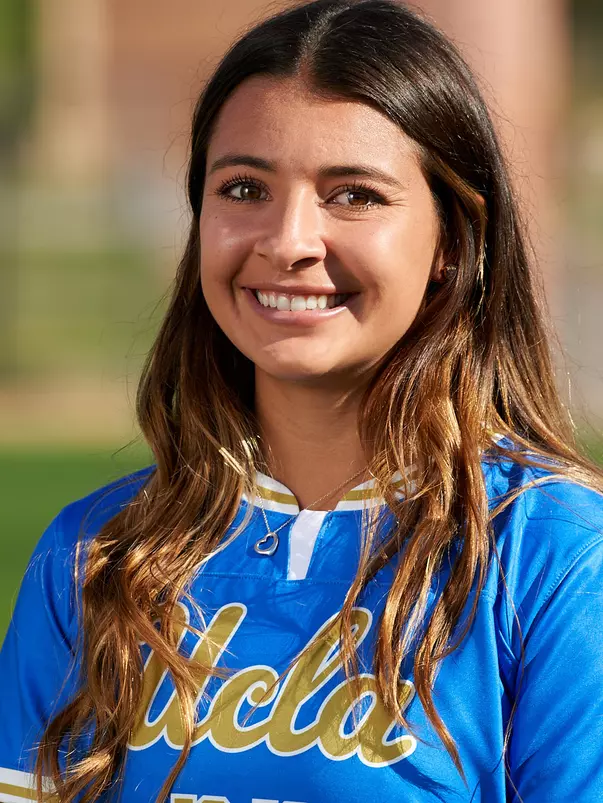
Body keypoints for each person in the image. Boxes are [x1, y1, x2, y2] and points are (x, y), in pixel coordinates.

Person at [1, 0, 603, 800]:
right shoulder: (93, 556)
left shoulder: (555, 558)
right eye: (243, 187)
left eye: (352, 195)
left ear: (450, 243)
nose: (287, 240)